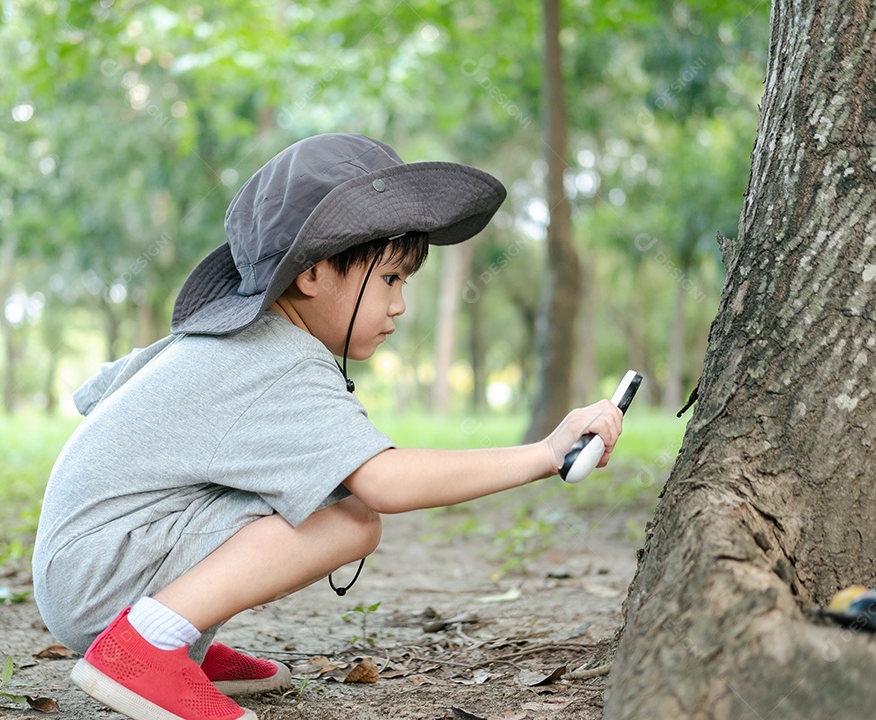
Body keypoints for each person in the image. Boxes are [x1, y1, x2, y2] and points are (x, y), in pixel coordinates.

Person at [32, 133, 623, 720]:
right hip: (100, 581)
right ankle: (144, 646)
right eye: (390, 280)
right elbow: (386, 483)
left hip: (78, 569)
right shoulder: (279, 356)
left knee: (304, 490)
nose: (399, 305)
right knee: (349, 519)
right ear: (312, 275)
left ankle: (172, 636)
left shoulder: (217, 338)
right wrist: (545, 454)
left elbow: (101, 393)